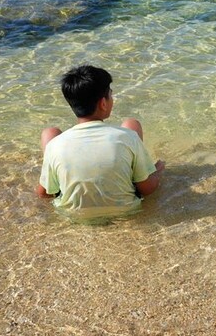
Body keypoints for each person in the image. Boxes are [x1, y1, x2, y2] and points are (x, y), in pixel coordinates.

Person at [36, 64, 164, 220]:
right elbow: (147, 189)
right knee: (132, 124)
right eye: (110, 94)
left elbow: (44, 193)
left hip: (74, 215)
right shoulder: (128, 137)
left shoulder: (54, 145)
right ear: (103, 103)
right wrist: (157, 172)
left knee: (50, 133)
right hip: (125, 211)